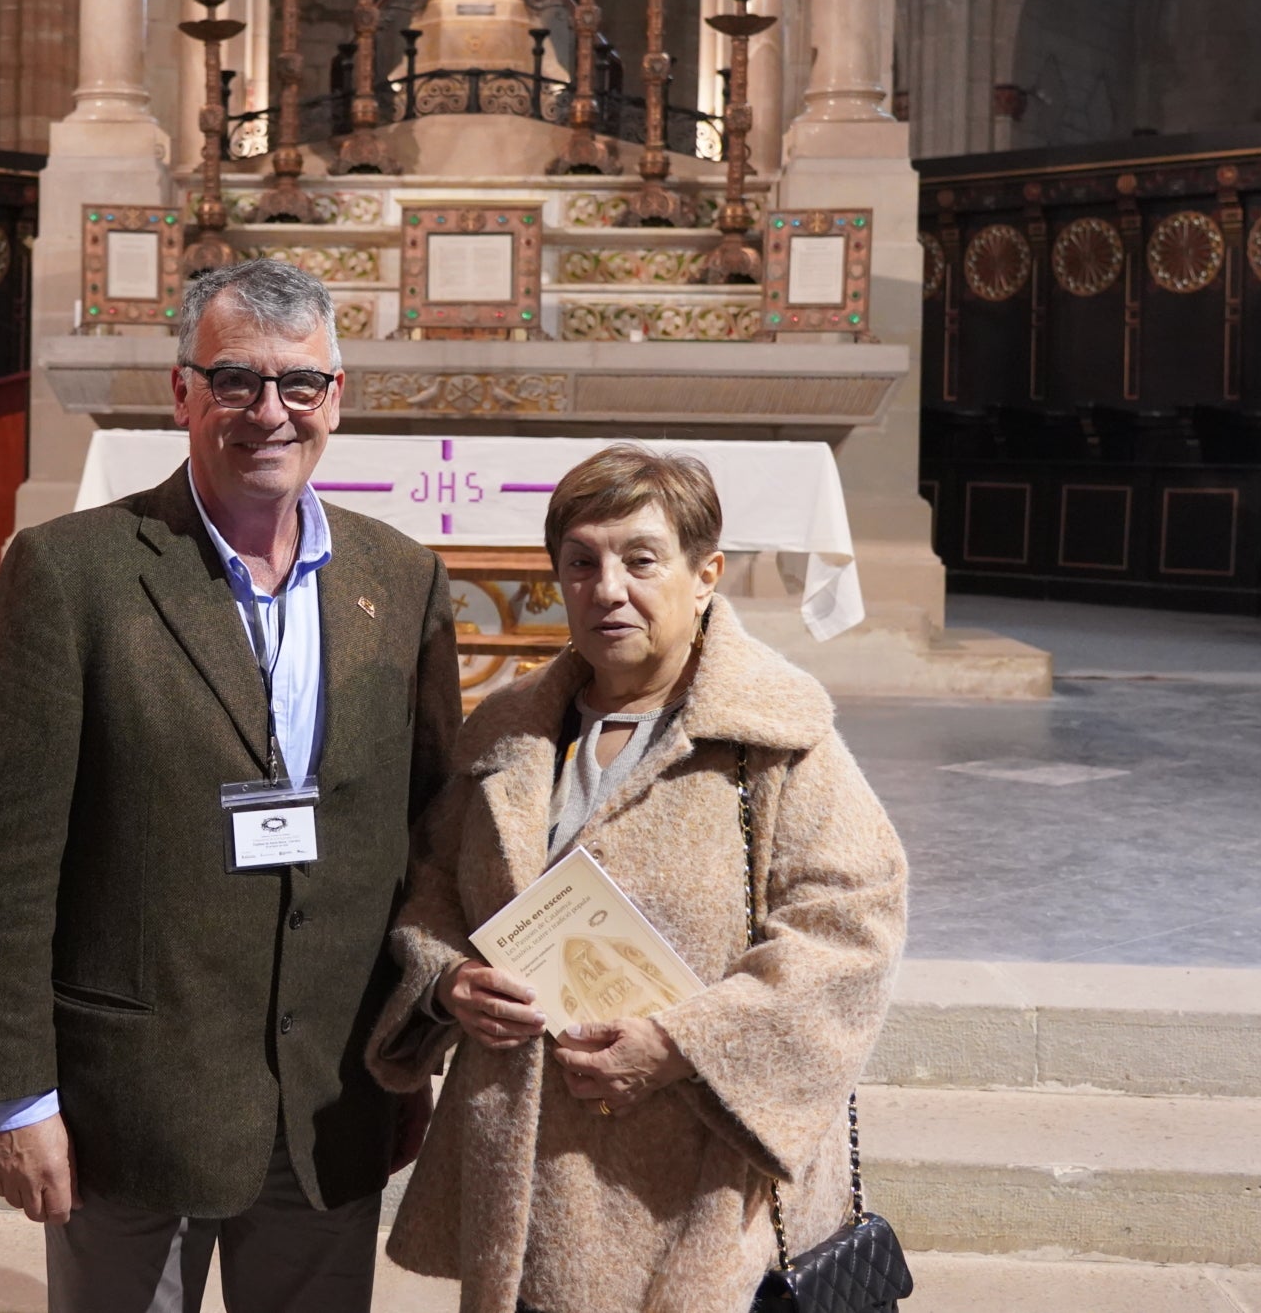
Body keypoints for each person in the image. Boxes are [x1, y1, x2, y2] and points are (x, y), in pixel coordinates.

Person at [0, 257, 462, 1313]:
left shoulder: (400, 580)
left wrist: (409, 1053)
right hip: (128, 1103)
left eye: (298, 384)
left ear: (336, 398)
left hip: (329, 1099)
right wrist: (14, 1096)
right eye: (235, 380)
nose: (269, 411)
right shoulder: (71, 573)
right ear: (181, 392)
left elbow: (424, 837)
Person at [365, 444, 908, 1313]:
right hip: (532, 1179)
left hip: (694, 1188)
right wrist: (449, 980)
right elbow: (431, 887)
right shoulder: (506, 732)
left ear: (705, 575)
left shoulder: (771, 736)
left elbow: (849, 933)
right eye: (581, 562)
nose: (607, 587)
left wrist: (680, 1044)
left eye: (640, 559)